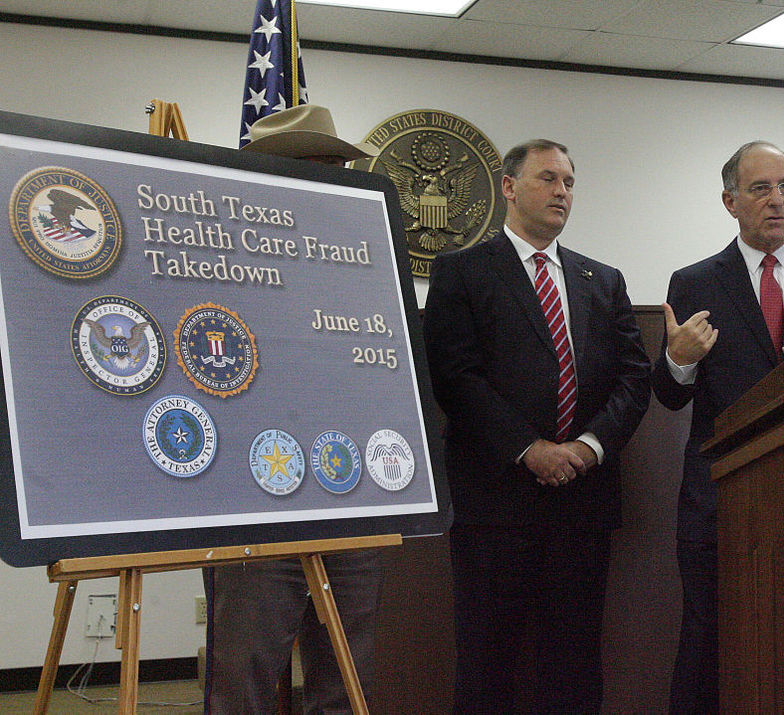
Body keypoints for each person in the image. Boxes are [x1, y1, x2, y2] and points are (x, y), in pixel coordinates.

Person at [423, 139, 651, 712]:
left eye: (570, 182)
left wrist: (590, 446)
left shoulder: (603, 279)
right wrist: (529, 449)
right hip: (496, 504)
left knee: (573, 661)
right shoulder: (463, 273)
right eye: (548, 178)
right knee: (488, 661)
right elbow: (457, 379)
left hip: (583, 501)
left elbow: (633, 377)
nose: (562, 192)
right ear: (508, 186)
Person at [652, 141, 784, 712]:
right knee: (708, 643)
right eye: (760, 188)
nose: (777, 200)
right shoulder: (695, 281)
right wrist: (679, 358)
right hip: (719, 495)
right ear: (730, 201)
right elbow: (672, 397)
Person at [203, 104, 384, 714]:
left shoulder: (365, 262)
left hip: (351, 496)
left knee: (345, 682)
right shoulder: (217, 257)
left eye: (337, 164)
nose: (337, 176)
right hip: (255, 504)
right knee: (242, 681)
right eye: (326, 163)